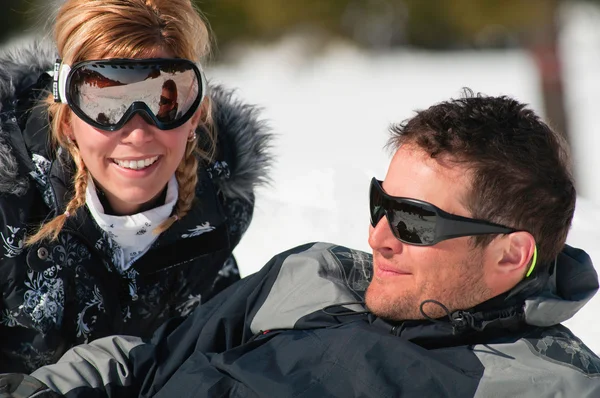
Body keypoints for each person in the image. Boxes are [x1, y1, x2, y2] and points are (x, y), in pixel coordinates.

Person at [7, 92, 600, 397]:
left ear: (510, 255)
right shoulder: (315, 275)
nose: (378, 238)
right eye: (381, 205)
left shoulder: (545, 384)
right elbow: (145, 361)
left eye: (415, 222)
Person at [0, 0, 271, 373]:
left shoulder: (216, 211)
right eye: (107, 104)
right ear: (66, 121)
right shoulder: (8, 206)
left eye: (165, 100)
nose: (139, 132)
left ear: (194, 117)